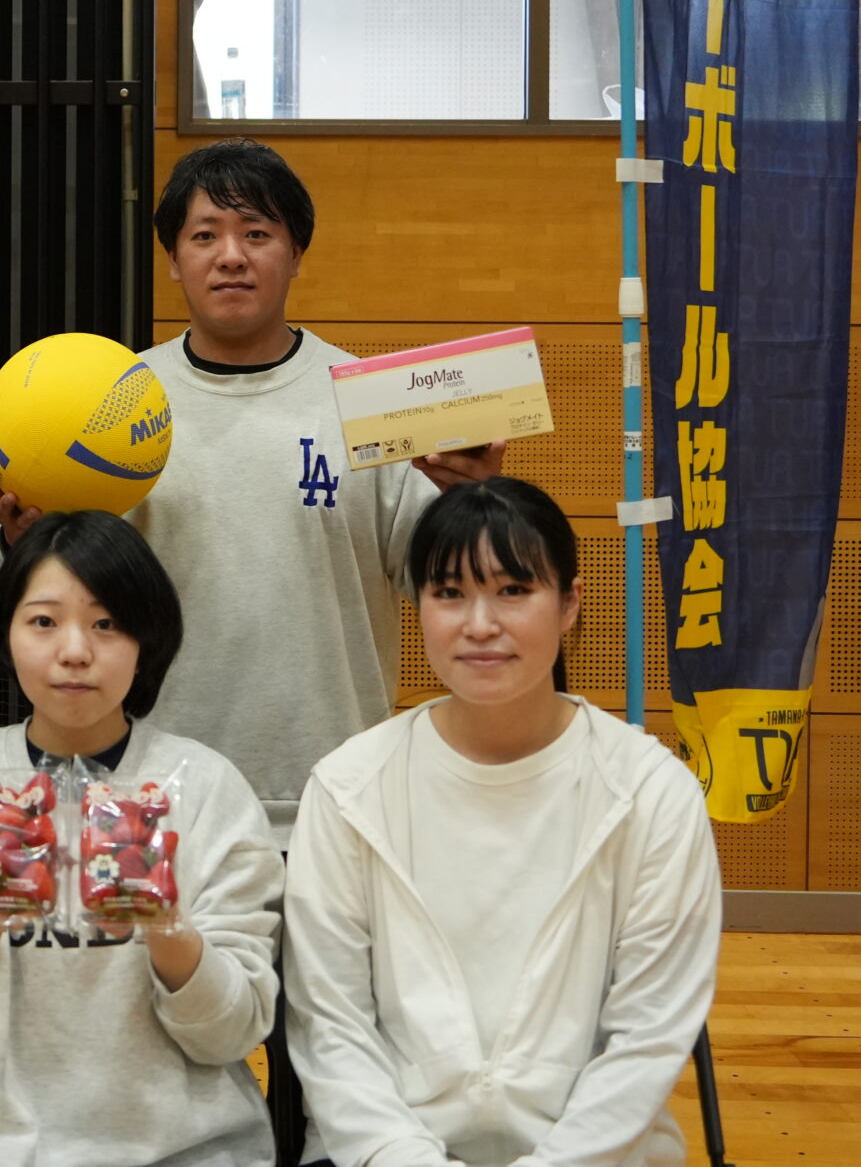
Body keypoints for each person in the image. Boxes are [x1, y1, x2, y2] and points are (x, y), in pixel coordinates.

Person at [0, 138, 500, 847]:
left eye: (256, 233)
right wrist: (27, 543)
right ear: (174, 259)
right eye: (205, 236)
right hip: (147, 803)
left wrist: (472, 504)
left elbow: (450, 590)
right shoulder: (108, 407)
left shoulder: (370, 405)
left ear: (296, 253)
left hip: (336, 804)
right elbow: (50, 604)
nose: (230, 256)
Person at [284, 477, 721, 1167]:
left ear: (570, 602)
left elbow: (647, 1038)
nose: (480, 624)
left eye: (513, 590)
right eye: (449, 592)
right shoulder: (348, 789)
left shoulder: (651, 792)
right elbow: (332, 1031)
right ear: (418, 606)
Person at [0, 511, 285, 1167]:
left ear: (148, 638)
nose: (74, 650)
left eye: (107, 624)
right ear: (6, 632)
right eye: (43, 621)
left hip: (182, 1150)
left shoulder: (207, 788)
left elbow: (232, 1032)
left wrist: (165, 923)